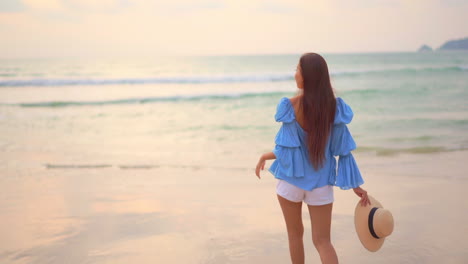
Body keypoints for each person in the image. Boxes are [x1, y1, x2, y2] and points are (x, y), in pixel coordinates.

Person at [255, 53, 371, 264]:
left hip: (291, 181)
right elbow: (342, 150)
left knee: (294, 235)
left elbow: (289, 150)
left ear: (306, 76)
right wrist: (355, 185)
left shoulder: (290, 106)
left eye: (297, 69)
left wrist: (266, 155)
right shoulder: (335, 108)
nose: (295, 73)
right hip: (321, 184)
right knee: (323, 242)